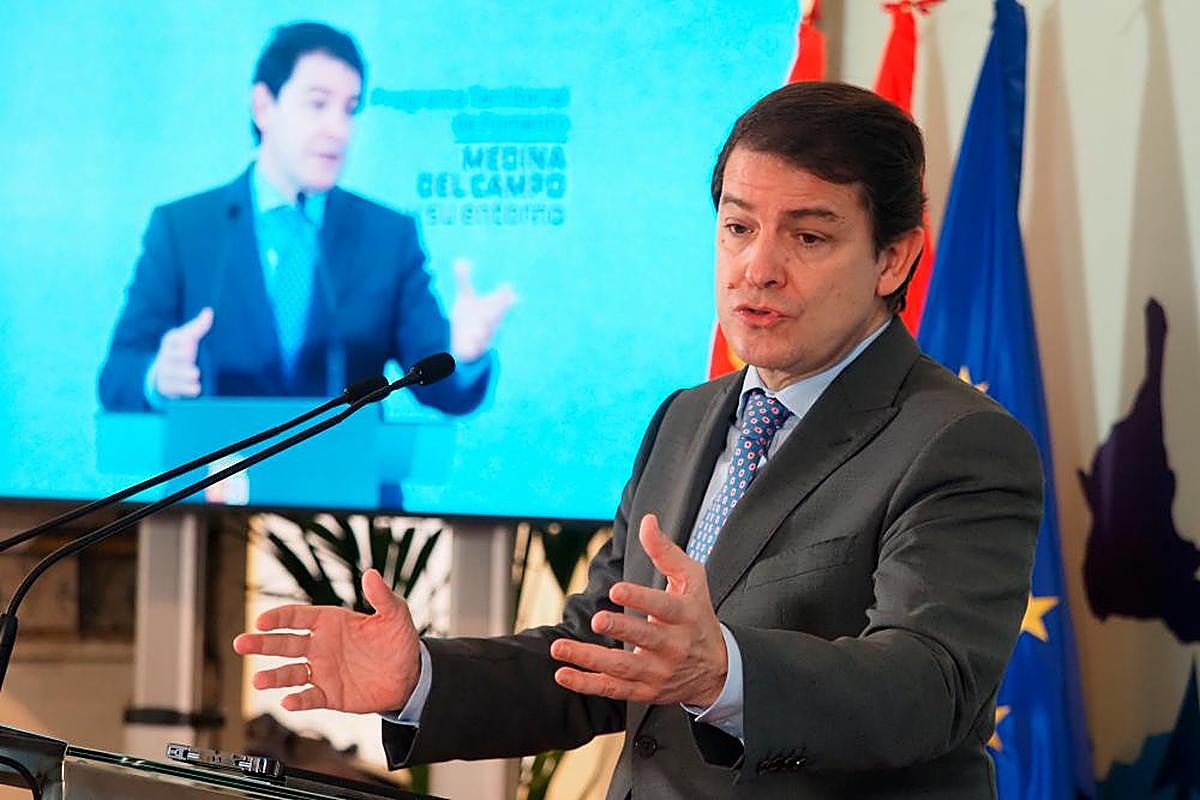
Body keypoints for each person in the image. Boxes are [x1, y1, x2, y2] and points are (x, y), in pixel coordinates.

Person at [234, 82, 1042, 798]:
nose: (756, 268)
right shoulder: (686, 418)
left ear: (894, 258)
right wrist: (423, 678)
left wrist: (725, 672)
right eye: (737, 227)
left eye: (808, 237)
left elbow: (931, 687)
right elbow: (596, 658)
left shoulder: (959, 443)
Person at [98, 22, 514, 413]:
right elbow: (117, 376)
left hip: (347, 483)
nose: (339, 129)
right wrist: (157, 376)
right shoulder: (183, 229)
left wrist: (463, 355)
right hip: (216, 484)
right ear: (264, 105)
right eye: (318, 104)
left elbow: (438, 388)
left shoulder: (388, 236)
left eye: (349, 109)